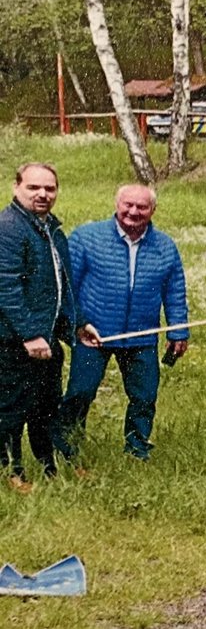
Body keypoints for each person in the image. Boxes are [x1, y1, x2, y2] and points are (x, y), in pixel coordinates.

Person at [55, 185, 189, 461]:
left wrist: (178, 329)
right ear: (117, 204)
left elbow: (175, 291)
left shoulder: (165, 247)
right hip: (93, 334)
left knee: (144, 397)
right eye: (128, 205)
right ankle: (66, 449)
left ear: (153, 210)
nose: (133, 212)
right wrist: (76, 324)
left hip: (142, 336)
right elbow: (68, 287)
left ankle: (137, 449)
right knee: (81, 392)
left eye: (142, 207)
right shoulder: (86, 238)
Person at [0, 163, 99, 492]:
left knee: (46, 408)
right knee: (12, 409)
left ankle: (49, 468)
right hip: (14, 341)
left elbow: (63, 285)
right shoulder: (9, 228)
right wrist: (29, 334)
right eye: (33, 188)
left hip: (46, 338)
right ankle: (12, 473)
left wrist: (78, 324)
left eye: (50, 189)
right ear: (17, 188)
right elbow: (7, 288)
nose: (43, 194)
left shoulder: (51, 228)